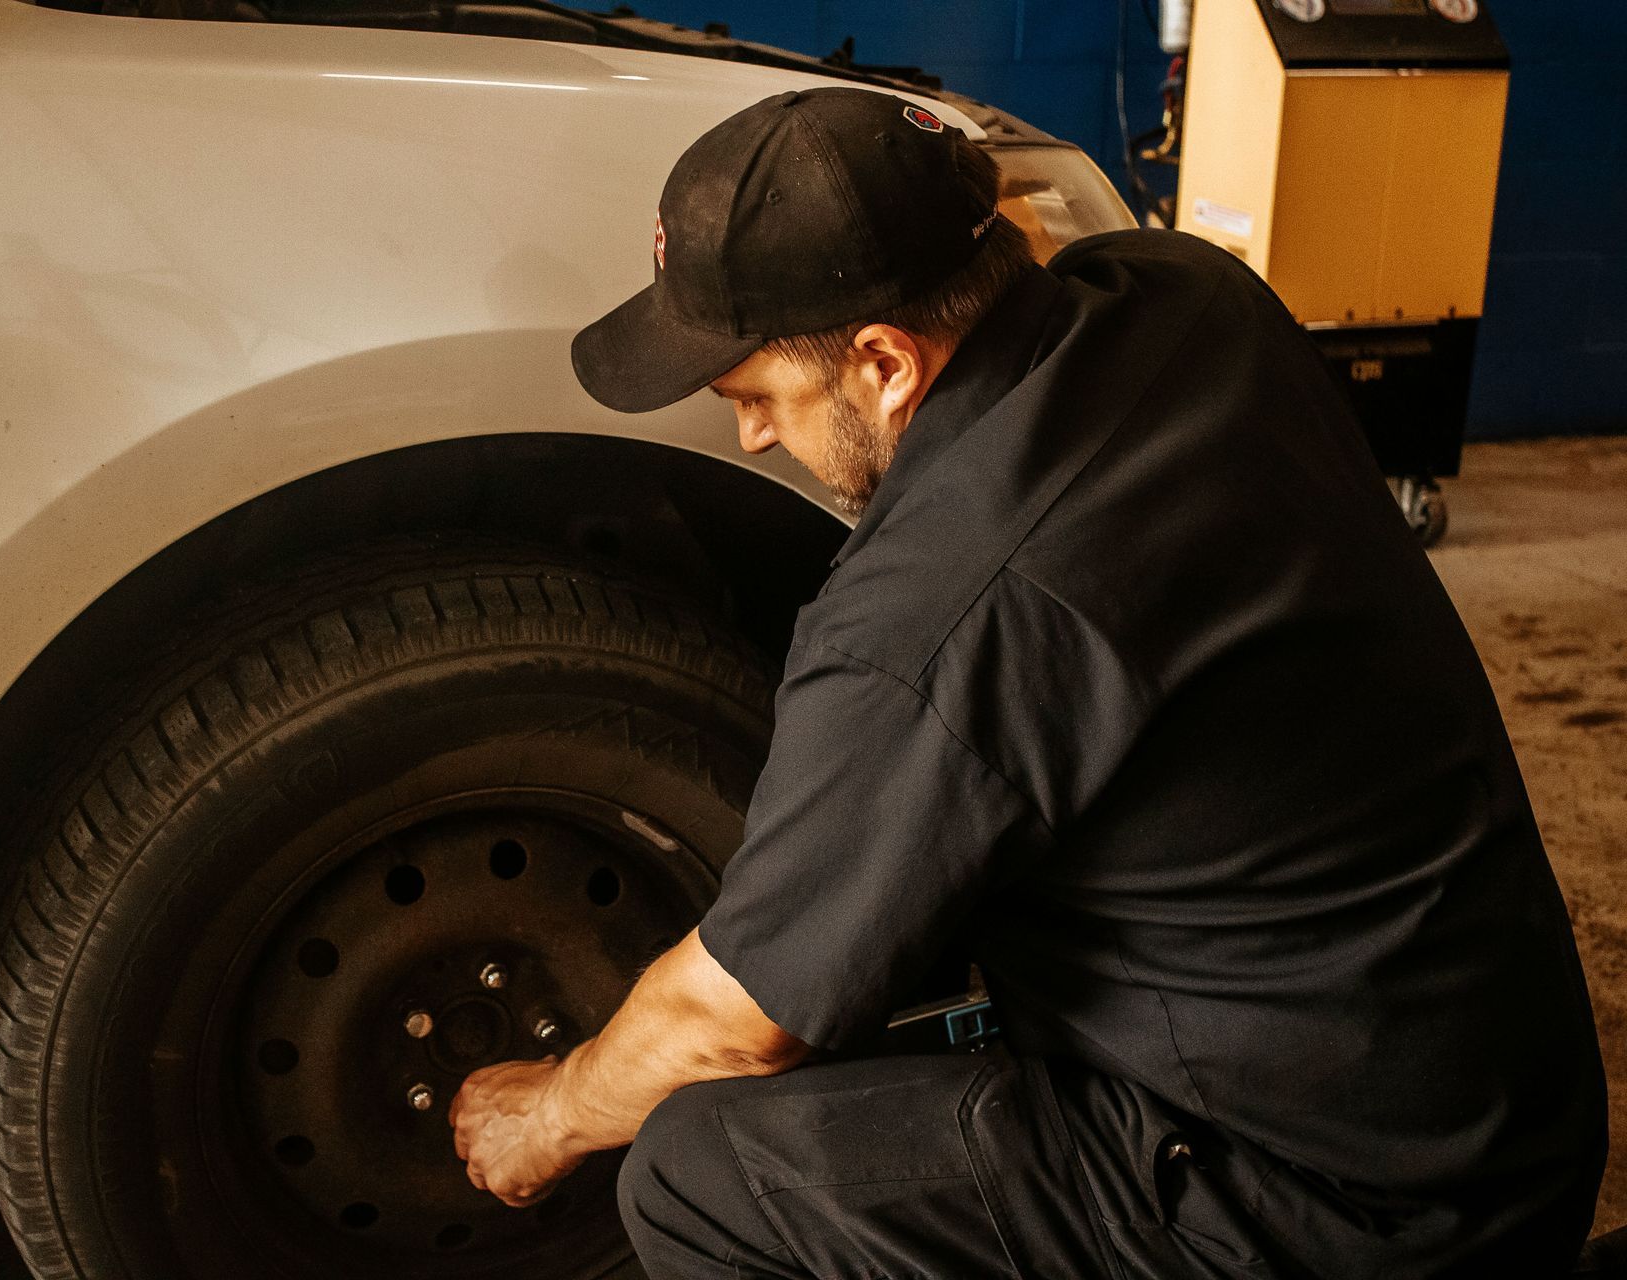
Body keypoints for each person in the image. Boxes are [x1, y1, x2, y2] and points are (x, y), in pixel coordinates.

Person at [447, 86, 1608, 1278]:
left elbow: (733, 1021)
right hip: (1509, 1108)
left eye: (754, 399)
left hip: (1347, 1215)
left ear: (886, 363)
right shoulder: (1189, 294)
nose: (748, 438)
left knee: (702, 1171)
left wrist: (545, 1114)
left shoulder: (942, 611)